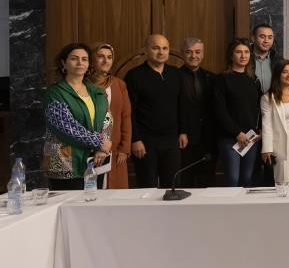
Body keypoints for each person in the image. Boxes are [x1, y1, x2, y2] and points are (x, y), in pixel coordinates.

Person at [43, 43, 112, 190]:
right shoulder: (55, 93)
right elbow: (66, 127)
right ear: (64, 63)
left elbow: (107, 119)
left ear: (89, 65)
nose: (80, 62)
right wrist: (100, 142)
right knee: (68, 203)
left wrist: (103, 148)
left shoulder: (98, 92)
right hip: (64, 164)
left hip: (95, 159)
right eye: (74, 58)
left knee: (94, 202)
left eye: (84, 59)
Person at [125, 34, 187, 188]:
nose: (161, 52)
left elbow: (182, 106)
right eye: (156, 48)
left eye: (165, 48)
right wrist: (135, 139)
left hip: (171, 140)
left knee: (173, 186)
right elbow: (129, 112)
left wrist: (183, 131)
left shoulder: (176, 74)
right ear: (146, 50)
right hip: (145, 141)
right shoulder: (134, 75)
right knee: (147, 186)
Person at [214, 38, 262, 187]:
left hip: (250, 138)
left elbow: (260, 108)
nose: (243, 56)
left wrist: (260, 130)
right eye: (238, 52)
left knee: (247, 179)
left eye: (246, 52)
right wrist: (237, 132)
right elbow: (219, 110)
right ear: (231, 55)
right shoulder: (221, 79)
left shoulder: (254, 80)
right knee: (233, 179)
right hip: (230, 138)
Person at [89, 43, 132, 189]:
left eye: (109, 57)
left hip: (116, 150)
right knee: (92, 192)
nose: (105, 61)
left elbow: (126, 117)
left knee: (115, 193)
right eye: (100, 56)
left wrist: (124, 149)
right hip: (90, 150)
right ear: (92, 59)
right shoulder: (83, 85)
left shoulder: (119, 85)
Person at [178, 37, 216, 187]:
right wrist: (181, 131)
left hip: (208, 139)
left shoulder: (212, 78)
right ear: (182, 54)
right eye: (189, 52)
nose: (194, 56)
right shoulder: (174, 76)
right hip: (184, 139)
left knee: (206, 183)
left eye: (198, 52)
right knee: (184, 182)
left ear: (203, 54)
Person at [252, 23, 276, 93]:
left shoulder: (278, 61)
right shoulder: (245, 59)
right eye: (262, 37)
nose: (266, 41)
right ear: (253, 38)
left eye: (270, 37)